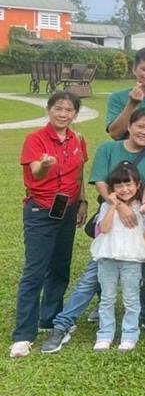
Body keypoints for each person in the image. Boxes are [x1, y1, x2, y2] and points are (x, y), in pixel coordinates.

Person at [42, 109, 145, 353]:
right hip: (109, 228)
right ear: (129, 126)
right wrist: (119, 206)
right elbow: (101, 182)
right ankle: (63, 325)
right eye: (140, 126)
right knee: (89, 280)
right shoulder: (108, 149)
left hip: (137, 234)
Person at [11, 91, 88, 359]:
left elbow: (79, 173)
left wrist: (82, 202)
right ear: (49, 110)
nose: (63, 114)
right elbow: (36, 172)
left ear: (75, 114)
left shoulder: (77, 139)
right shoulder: (35, 139)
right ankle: (23, 335)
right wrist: (45, 165)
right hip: (41, 209)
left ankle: (49, 317)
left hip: (68, 208)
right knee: (35, 270)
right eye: (58, 108)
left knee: (60, 266)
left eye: (69, 110)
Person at [90, 163, 145, 352]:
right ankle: (105, 335)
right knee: (107, 298)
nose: (124, 189)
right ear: (112, 189)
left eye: (128, 184)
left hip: (132, 259)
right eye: (119, 186)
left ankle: (129, 335)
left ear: (137, 185)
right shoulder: (106, 206)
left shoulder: (143, 209)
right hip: (107, 257)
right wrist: (113, 206)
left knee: (131, 299)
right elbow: (104, 228)